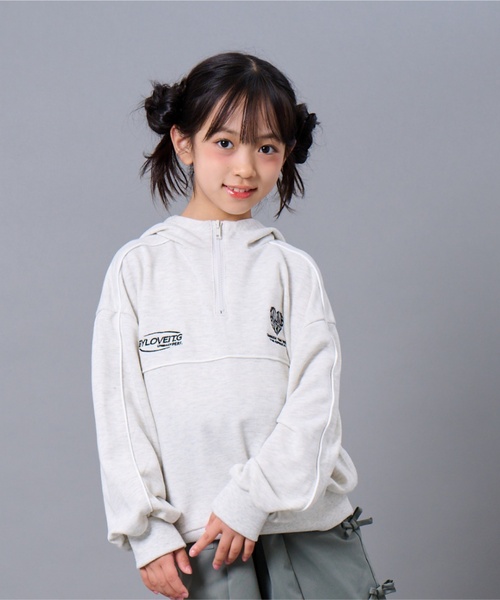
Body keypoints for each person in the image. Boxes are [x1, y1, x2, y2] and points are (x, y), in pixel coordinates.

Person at [92, 52, 394, 600]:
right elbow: (121, 414)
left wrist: (250, 499)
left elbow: (317, 408)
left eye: (267, 147)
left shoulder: (292, 270)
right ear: (184, 142)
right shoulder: (137, 269)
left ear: (287, 154)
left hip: (307, 528)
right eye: (224, 142)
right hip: (201, 540)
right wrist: (147, 531)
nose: (246, 168)